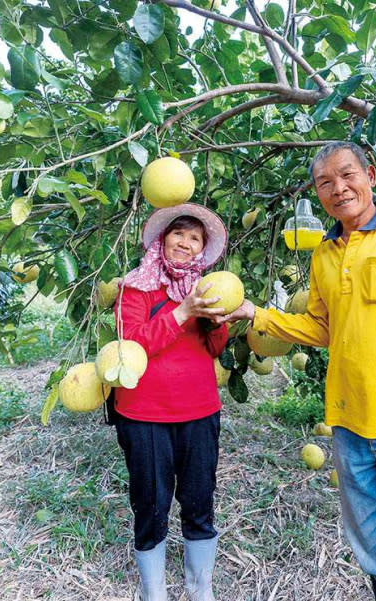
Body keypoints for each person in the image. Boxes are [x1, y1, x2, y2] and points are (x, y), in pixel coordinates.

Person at [220, 142, 376, 601]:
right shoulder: (324, 255)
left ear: (370, 176)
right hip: (350, 431)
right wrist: (254, 313)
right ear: (318, 194)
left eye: (347, 175)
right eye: (325, 183)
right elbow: (322, 327)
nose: (338, 188)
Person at [113, 203, 230, 601]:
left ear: (201, 250)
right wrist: (183, 311)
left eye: (194, 237)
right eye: (179, 233)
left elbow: (215, 348)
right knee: (151, 503)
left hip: (199, 412)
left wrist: (216, 320)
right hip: (143, 414)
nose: (186, 242)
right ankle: (154, 591)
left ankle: (201, 588)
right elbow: (131, 345)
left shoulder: (206, 289)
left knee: (199, 500)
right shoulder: (135, 287)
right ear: (163, 240)